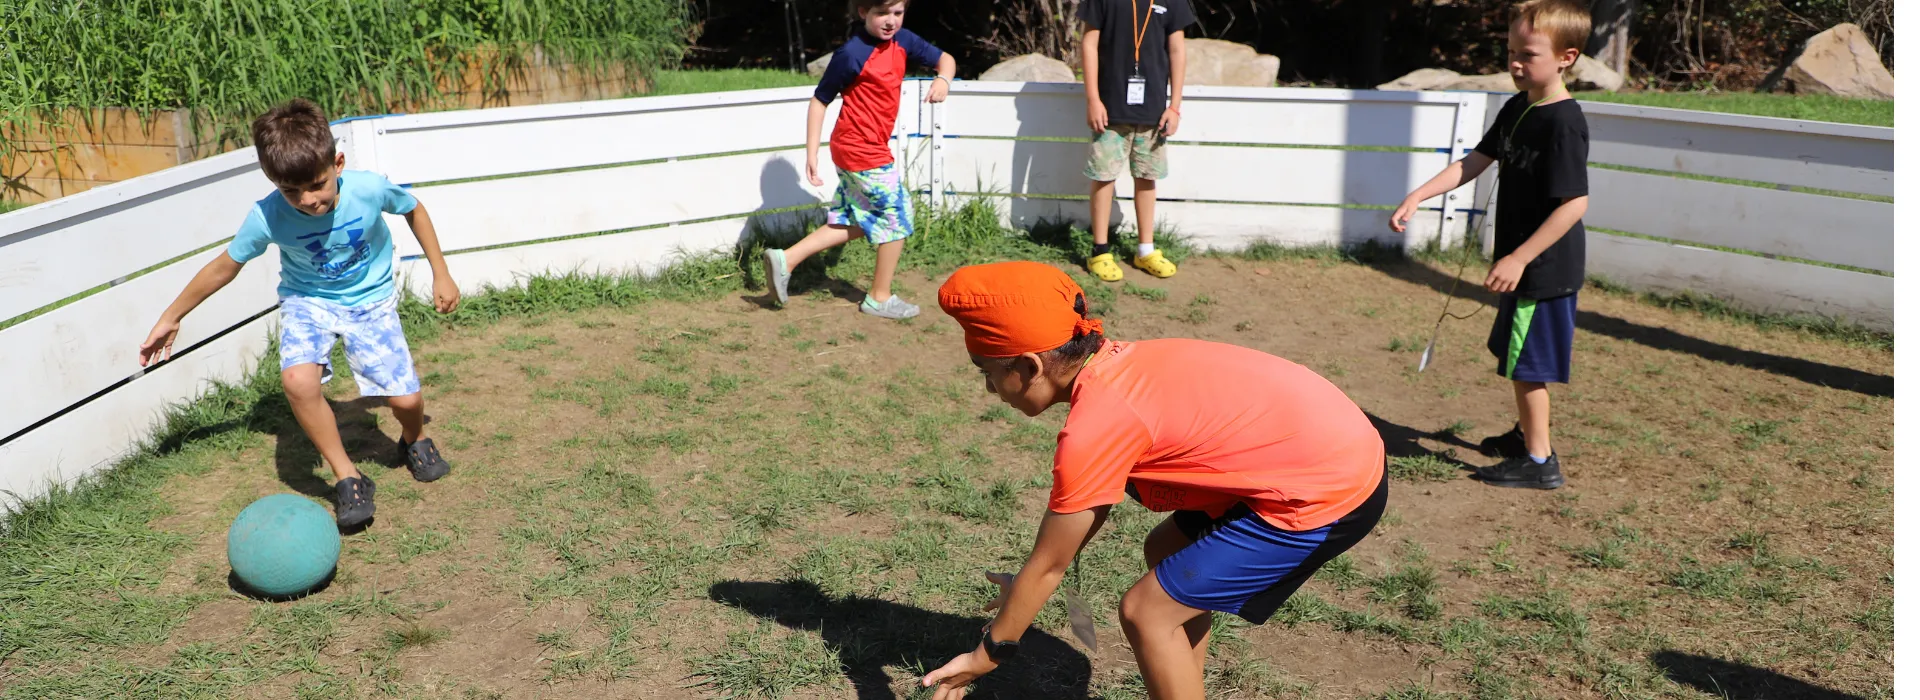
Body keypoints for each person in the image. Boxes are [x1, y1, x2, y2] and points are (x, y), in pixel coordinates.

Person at [919, 261, 1388, 700]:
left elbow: (1049, 565)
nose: (987, 389)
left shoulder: (1096, 427)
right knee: (1166, 552)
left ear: (1029, 366)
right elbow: (1057, 553)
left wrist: (988, 654)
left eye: (988, 373)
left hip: (1328, 487)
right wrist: (1021, 591)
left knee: (1146, 611)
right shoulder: (1120, 365)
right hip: (1329, 445)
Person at [138, 98, 460, 528]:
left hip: (371, 300)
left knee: (406, 399)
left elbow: (413, 209)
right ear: (273, 181)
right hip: (308, 301)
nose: (308, 200)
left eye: (317, 184)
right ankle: (348, 476)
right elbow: (225, 266)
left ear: (338, 163)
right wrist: (172, 315)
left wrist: (441, 272)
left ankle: (414, 437)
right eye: (292, 191)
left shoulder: (367, 188)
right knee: (297, 380)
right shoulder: (268, 216)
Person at [1390, 0, 1591, 490]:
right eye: (1511, 52)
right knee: (1515, 354)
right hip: (1522, 266)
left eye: (1528, 54)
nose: (1516, 63)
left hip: (1542, 270)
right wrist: (1419, 195)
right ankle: (1526, 435)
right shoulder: (1518, 107)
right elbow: (1474, 162)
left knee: (1529, 364)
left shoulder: (1563, 121)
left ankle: (1540, 462)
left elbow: (1574, 204)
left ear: (1566, 57)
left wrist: (1520, 258)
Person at [760, 0, 956, 320]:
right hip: (859, 149)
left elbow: (945, 60)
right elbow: (819, 100)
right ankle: (879, 298)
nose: (891, 21)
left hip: (864, 147)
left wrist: (943, 80)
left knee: (860, 217)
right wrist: (811, 153)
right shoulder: (851, 54)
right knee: (896, 214)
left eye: (898, 13)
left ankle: (787, 260)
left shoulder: (904, 40)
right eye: (882, 13)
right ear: (864, 12)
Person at [1078, 0, 1193, 283]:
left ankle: (1145, 249)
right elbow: (1089, 45)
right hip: (1109, 109)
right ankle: (1100, 250)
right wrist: (1093, 100)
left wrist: (1174, 106)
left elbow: (1177, 51)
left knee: (1147, 176)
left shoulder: (1172, 2)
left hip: (1154, 111)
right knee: (1104, 176)